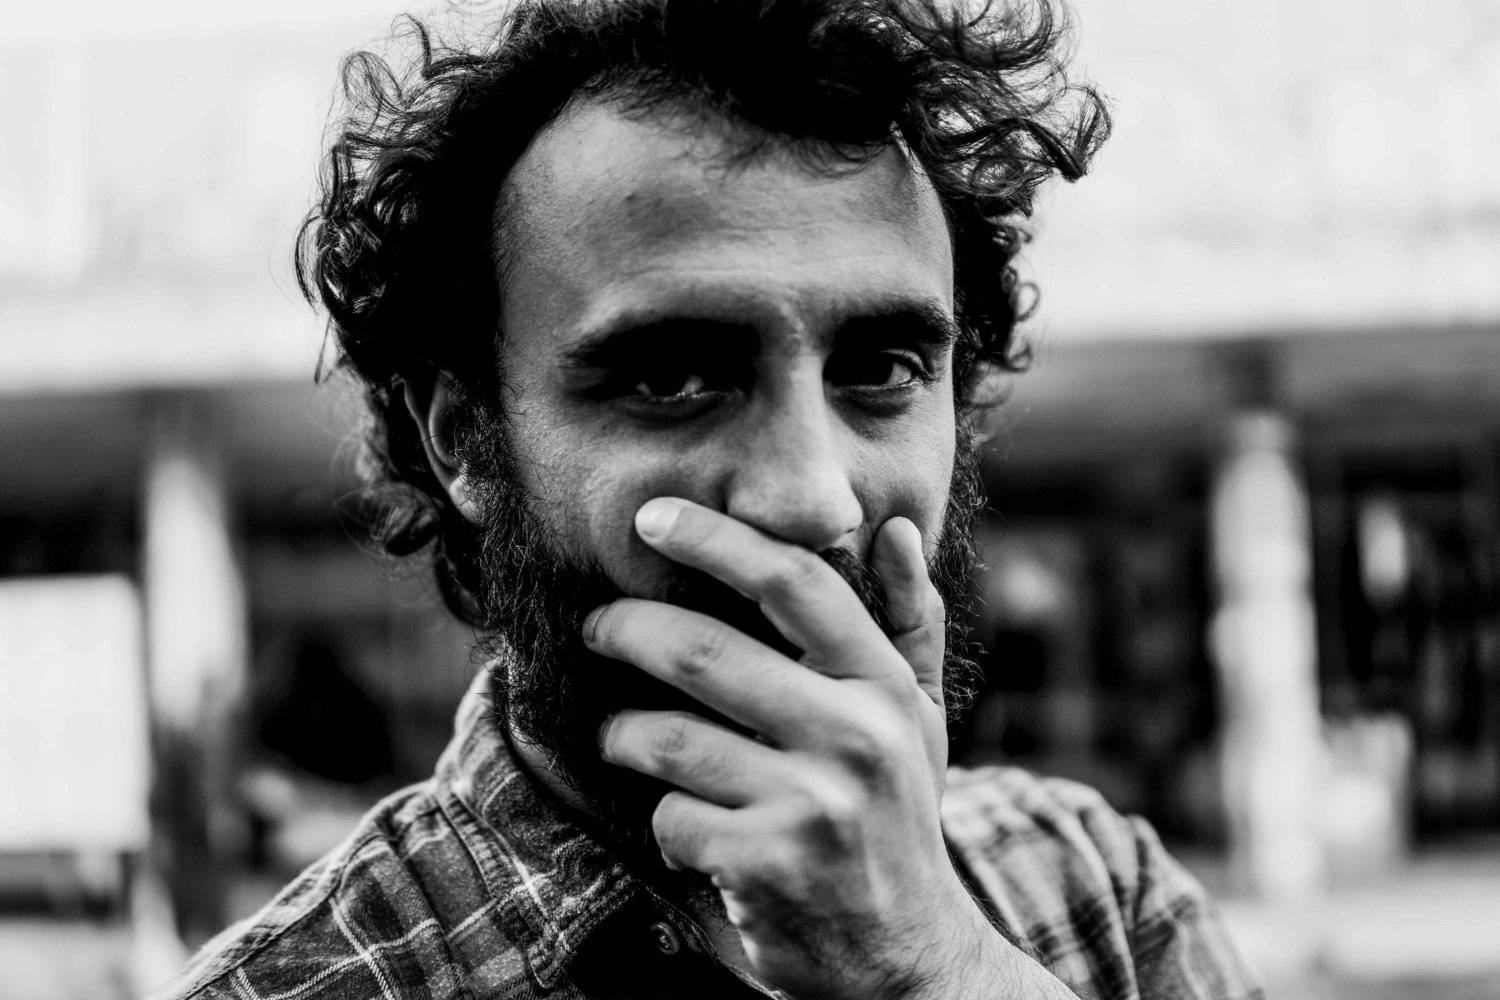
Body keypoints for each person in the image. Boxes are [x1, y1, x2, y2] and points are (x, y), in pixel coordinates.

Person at [155, 1, 1263, 997]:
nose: (811, 499)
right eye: (672, 379)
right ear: (463, 443)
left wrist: (937, 965)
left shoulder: (1095, 887)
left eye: (880, 369)